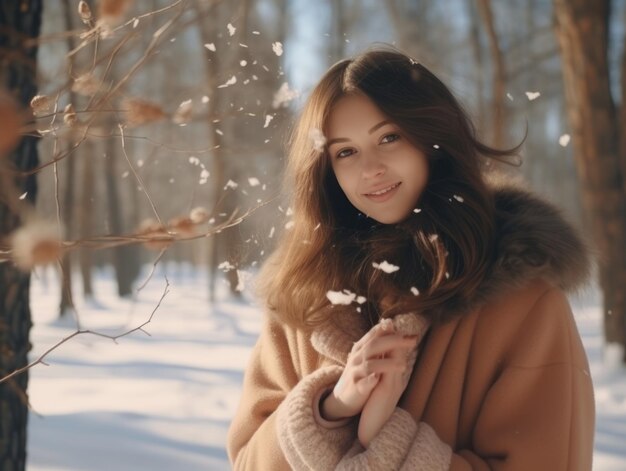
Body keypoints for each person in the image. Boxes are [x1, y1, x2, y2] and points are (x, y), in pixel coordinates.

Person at [227, 45, 595, 470]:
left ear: (432, 138)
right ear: (324, 169)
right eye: (345, 151)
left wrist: (385, 442)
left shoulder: (524, 304)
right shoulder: (303, 301)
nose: (371, 169)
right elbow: (248, 461)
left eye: (389, 137)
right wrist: (331, 409)